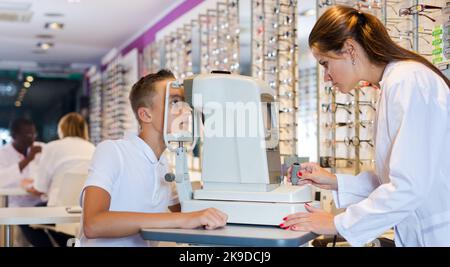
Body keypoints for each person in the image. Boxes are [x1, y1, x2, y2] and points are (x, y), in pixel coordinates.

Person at [282, 5, 450, 247]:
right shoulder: (393, 84)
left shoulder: (407, 81)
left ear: (349, 49)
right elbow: (395, 179)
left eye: (325, 63)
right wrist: (334, 181)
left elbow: (409, 186)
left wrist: (336, 224)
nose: (326, 77)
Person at [80, 69, 227, 247]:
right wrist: (182, 219)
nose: (185, 110)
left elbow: (189, 213)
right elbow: (93, 224)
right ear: (146, 114)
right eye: (174, 102)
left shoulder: (164, 164)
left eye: (185, 102)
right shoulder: (112, 151)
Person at [20, 112, 96, 247]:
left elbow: (39, 189)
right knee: (66, 231)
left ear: (61, 129)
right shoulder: (94, 149)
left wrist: (26, 185)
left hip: (58, 210)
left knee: (23, 219)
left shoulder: (52, 147)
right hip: (87, 211)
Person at [0, 118, 43, 207]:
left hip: (39, 203)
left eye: (34, 134)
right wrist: (28, 159)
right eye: (28, 135)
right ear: (14, 135)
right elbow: (2, 179)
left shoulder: (40, 148)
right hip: (16, 205)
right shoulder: (3, 153)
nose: (32, 138)